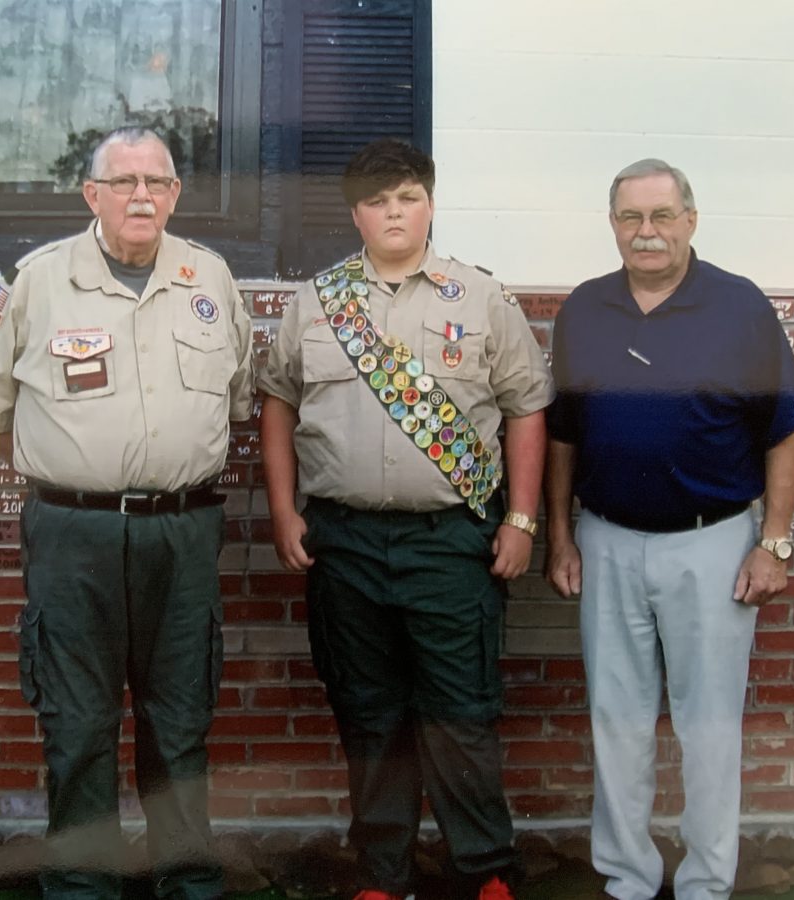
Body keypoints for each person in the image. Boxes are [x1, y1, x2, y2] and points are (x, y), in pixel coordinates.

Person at [0, 127, 253, 900]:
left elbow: (237, 399)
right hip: (74, 534)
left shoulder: (210, 279)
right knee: (80, 723)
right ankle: (83, 885)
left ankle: (186, 879)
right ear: (92, 195)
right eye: (123, 182)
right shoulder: (36, 282)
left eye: (158, 181)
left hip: (183, 531)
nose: (142, 196)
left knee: (180, 720)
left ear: (177, 194)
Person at [258, 138, 553, 900]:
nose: (395, 213)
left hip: (452, 540)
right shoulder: (317, 303)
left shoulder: (480, 297)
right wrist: (286, 510)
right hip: (344, 541)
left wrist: (520, 519)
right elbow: (279, 402)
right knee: (371, 714)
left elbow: (527, 407)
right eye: (378, 201)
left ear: (430, 202)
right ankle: (383, 876)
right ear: (355, 213)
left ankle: (484, 871)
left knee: (461, 711)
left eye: (409, 197)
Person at [544, 158, 794, 900]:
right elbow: (563, 435)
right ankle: (629, 877)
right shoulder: (584, 311)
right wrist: (561, 537)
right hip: (606, 539)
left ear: (691, 220)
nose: (647, 232)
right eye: (631, 218)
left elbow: (784, 433)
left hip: (714, 542)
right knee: (618, 720)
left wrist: (775, 541)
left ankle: (704, 881)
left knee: (709, 726)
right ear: (612, 225)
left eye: (662, 216)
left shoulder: (740, 307)